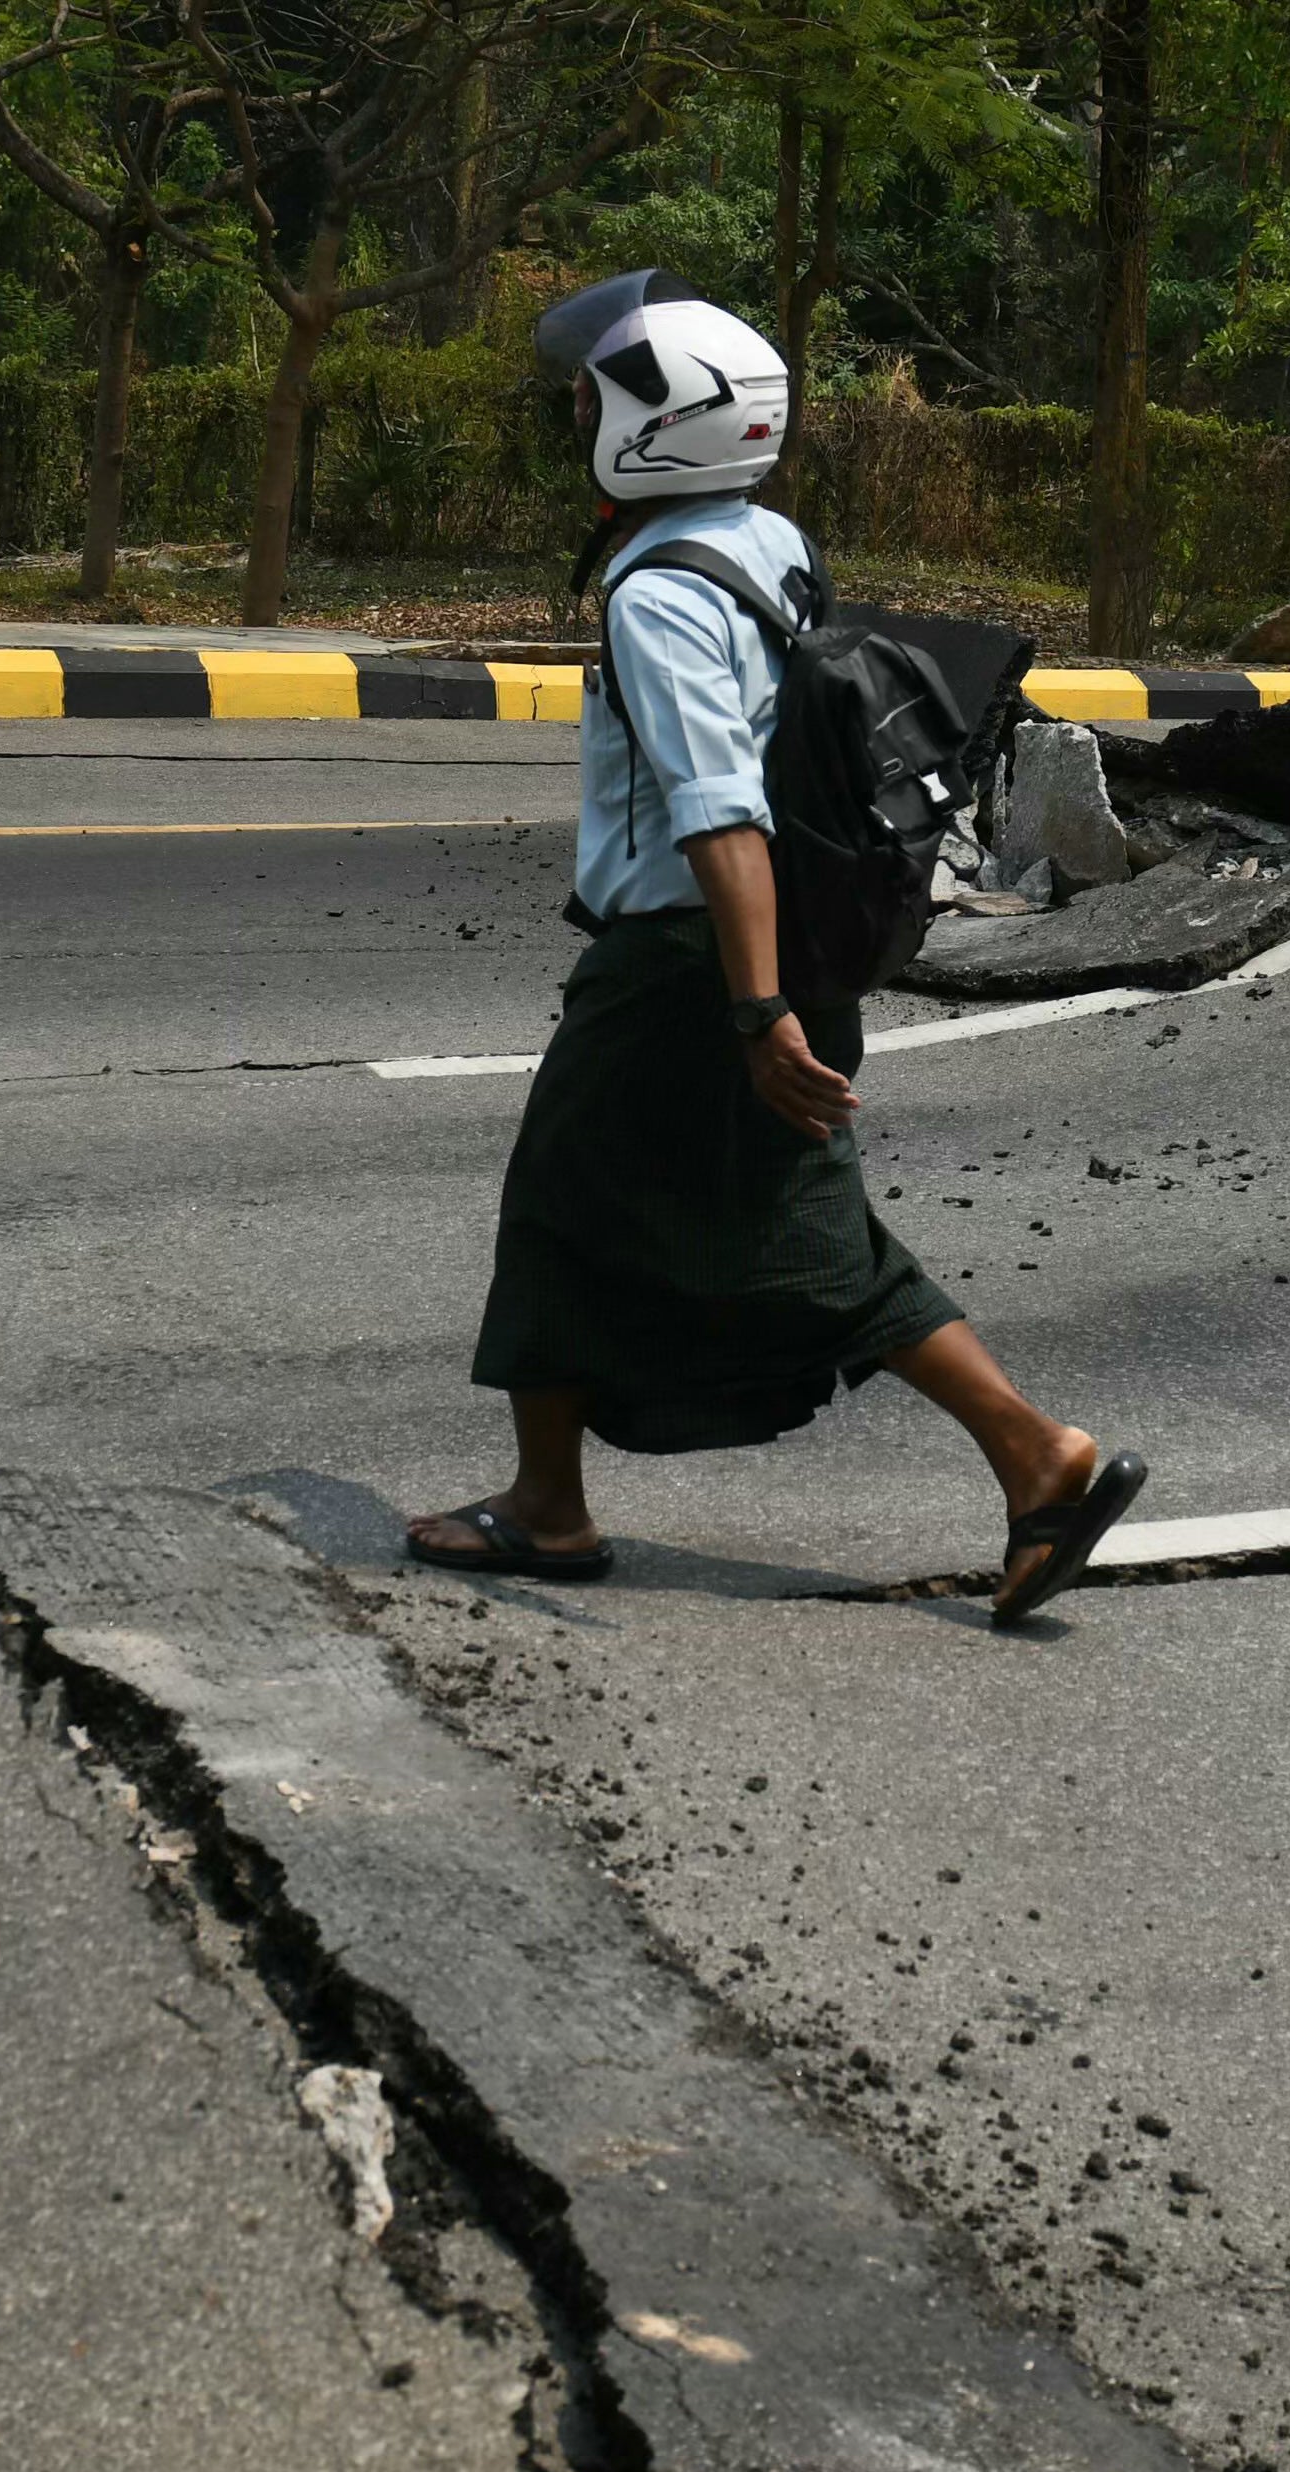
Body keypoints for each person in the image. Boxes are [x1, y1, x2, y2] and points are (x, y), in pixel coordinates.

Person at [405, 273, 1148, 1628]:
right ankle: (560, 1500)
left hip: (692, 968)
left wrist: (754, 1014)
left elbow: (719, 812)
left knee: (647, 1224)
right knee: (713, 1221)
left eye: (590, 399)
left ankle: (1029, 1455)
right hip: (774, 948)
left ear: (658, 425)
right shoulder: (764, 540)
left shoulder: (659, 597)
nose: (571, 416)